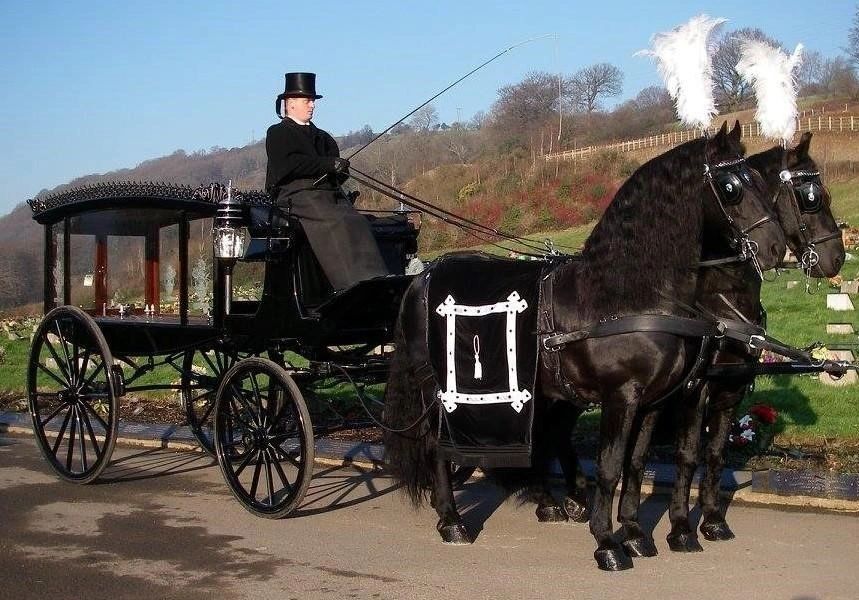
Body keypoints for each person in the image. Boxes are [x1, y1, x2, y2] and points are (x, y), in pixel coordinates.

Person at [264, 72, 390, 291]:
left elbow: (335, 171)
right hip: (295, 194)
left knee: (358, 220)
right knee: (336, 220)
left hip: (326, 193)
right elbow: (288, 166)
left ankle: (376, 280)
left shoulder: (323, 137)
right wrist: (326, 165)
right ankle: (350, 285)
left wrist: (340, 170)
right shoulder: (278, 133)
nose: (312, 105)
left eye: (313, 101)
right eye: (307, 101)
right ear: (290, 103)